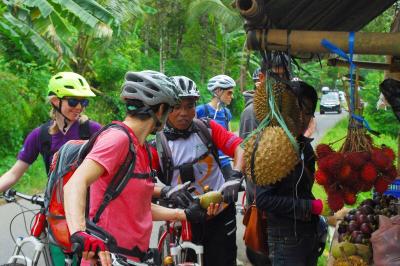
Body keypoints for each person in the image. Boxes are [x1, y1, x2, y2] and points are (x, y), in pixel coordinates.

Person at [63, 71, 207, 265]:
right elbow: (75, 183)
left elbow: (137, 207)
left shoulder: (141, 147)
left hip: (134, 258)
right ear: (161, 109)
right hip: (108, 258)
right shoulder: (118, 139)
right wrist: (80, 233)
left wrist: (184, 214)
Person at [0, 71, 101, 264]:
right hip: (55, 213)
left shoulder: (93, 131)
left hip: (88, 212)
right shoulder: (40, 136)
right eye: (73, 101)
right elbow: (14, 173)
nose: (79, 107)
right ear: (55, 101)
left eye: (84, 102)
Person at [152, 75, 244, 266]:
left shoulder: (207, 129)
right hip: (184, 216)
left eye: (190, 106)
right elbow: (142, 182)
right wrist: (165, 190)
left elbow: (240, 147)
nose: (184, 113)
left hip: (220, 212)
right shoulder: (157, 145)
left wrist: (235, 176)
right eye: (176, 107)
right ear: (165, 107)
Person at [254, 54, 324, 266]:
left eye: (308, 111)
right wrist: (308, 207)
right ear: (288, 109)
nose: (303, 117)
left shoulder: (305, 145)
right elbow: (263, 200)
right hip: (286, 239)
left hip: (308, 235)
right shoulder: (274, 145)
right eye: (299, 109)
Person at [196, 74, 236, 179]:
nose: (232, 96)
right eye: (229, 93)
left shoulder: (227, 113)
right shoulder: (201, 110)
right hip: (205, 162)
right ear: (218, 91)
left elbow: (230, 137)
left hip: (224, 162)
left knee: (231, 191)